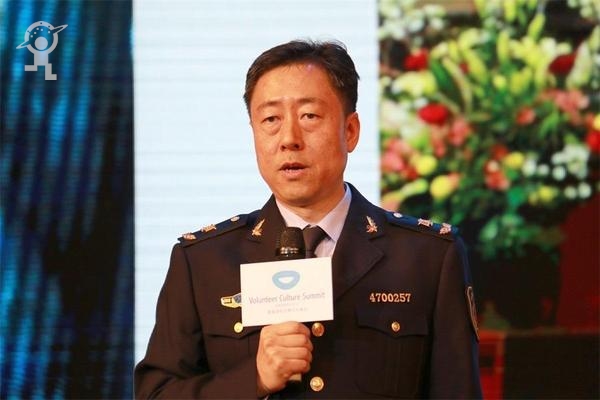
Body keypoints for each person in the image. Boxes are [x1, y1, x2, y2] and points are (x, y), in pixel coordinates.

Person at [134, 39, 482, 399]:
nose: (289, 139)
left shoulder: (428, 257)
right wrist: (253, 378)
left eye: (309, 116)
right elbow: (156, 394)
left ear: (350, 131)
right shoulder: (202, 262)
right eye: (271, 119)